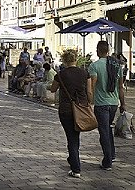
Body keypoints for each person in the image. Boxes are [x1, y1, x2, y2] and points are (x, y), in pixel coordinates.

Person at [49, 49, 89, 179]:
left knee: (71, 137)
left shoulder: (61, 75)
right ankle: (73, 159)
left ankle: (75, 167)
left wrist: (51, 86)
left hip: (66, 110)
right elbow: (89, 92)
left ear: (64, 61)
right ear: (75, 59)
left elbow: (53, 89)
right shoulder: (84, 73)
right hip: (81, 109)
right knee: (75, 136)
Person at [88, 40, 125, 171]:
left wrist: (89, 101)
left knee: (103, 131)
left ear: (98, 50)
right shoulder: (116, 66)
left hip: (101, 104)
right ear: (108, 51)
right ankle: (112, 154)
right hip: (114, 103)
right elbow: (121, 87)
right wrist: (123, 104)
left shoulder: (94, 66)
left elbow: (92, 85)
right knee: (107, 129)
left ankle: (107, 161)